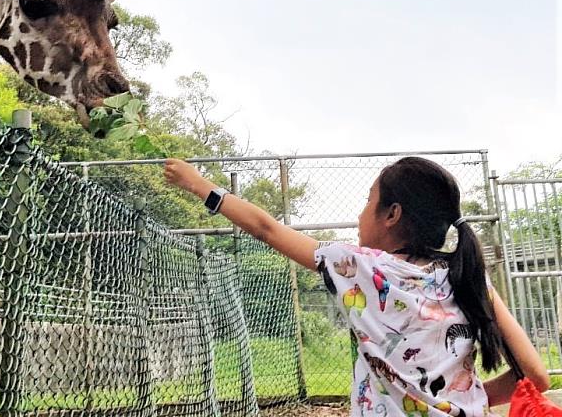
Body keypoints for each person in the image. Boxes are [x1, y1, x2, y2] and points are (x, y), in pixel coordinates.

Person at [164, 156, 549, 416]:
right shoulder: (468, 274)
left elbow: (267, 228)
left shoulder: (358, 266)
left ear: (392, 215)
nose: (360, 213)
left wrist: (200, 186)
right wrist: (467, 396)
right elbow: (536, 377)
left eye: (368, 202)